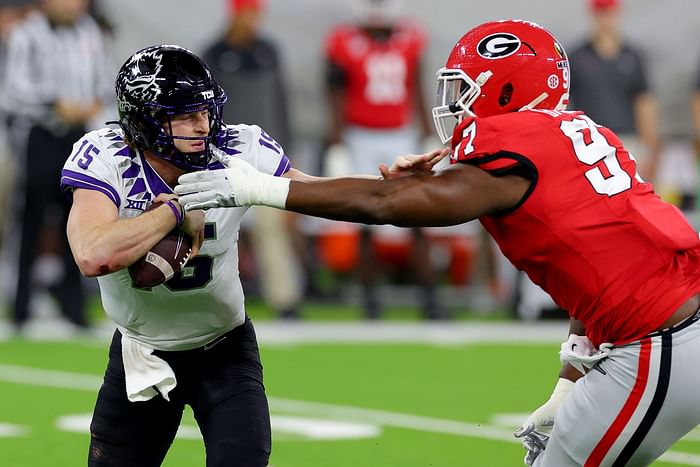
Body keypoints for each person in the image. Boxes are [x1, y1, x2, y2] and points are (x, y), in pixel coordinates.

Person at [176, 19, 700, 466]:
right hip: (673, 327)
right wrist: (569, 375)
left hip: (662, 343)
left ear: (508, 91)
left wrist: (259, 188)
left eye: (465, 90)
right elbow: (593, 262)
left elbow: (385, 206)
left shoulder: (513, 150)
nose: (455, 105)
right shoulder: (580, 135)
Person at [60, 45, 298, 466]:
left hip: (225, 349)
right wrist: (175, 210)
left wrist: (389, 181)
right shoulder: (108, 157)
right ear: (145, 122)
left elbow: (321, 194)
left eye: (205, 112)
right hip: (142, 353)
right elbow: (92, 255)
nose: (203, 125)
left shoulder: (239, 149)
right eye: (186, 116)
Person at [323, 0, 443, 319]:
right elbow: (336, 93)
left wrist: (426, 131)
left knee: (417, 213)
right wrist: (336, 141)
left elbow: (417, 87)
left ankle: (430, 297)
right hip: (360, 134)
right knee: (366, 218)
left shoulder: (411, 38)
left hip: (400, 135)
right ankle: (370, 297)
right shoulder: (344, 41)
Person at [3, 0, 113, 331]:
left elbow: (103, 79)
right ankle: (20, 306)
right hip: (41, 134)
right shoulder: (26, 34)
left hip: (78, 136)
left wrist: (92, 103)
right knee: (30, 220)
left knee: (78, 219)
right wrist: (54, 103)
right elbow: (13, 89)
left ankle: (74, 306)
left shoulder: (90, 31)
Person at [202, 0, 302, 319]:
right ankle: (211, 299)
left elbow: (280, 102)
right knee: (217, 231)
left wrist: (286, 151)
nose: (251, 21)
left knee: (272, 229)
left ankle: (284, 299)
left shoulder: (268, 52)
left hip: (265, 154)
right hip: (225, 154)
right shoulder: (215, 55)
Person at [568, 0, 661, 182]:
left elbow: (645, 105)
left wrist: (651, 148)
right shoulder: (577, 57)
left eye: (609, 13)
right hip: (590, 141)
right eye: (601, 14)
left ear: (617, 14)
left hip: (628, 141)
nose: (605, 19)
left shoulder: (632, 56)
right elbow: (565, 105)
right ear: (593, 16)